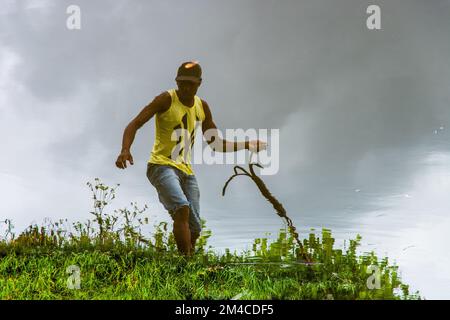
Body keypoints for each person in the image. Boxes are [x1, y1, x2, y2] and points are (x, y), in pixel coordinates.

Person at [115, 61, 266, 256]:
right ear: (177, 82)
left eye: (191, 84)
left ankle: (189, 259)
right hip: (161, 166)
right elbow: (135, 123)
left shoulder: (202, 107)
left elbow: (216, 144)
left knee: (195, 227)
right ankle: (185, 265)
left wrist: (247, 144)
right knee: (182, 208)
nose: (185, 88)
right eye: (182, 83)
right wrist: (125, 149)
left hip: (186, 172)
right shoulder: (165, 99)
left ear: (199, 84)